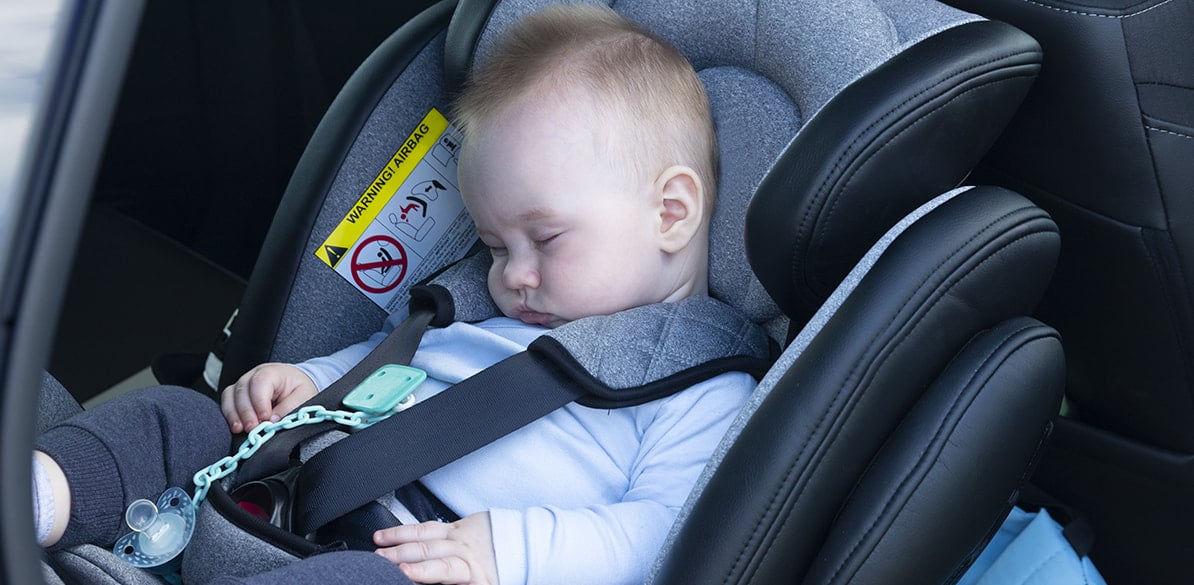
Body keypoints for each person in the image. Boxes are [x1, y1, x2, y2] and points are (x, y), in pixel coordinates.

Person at [32, 4, 760, 585]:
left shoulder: (700, 389)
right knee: (180, 417)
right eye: (497, 245)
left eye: (547, 238)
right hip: (287, 487)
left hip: (423, 561)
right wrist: (309, 380)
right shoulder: (483, 312)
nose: (513, 274)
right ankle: (37, 496)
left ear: (670, 213)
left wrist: (511, 551)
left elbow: (669, 529)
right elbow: (388, 369)